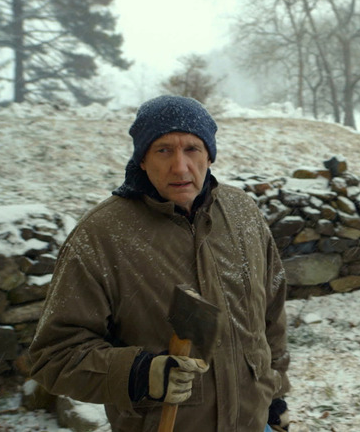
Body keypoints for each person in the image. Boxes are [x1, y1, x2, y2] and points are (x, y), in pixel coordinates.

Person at [29, 95, 291, 432]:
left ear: (210, 155)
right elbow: (54, 356)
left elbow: (271, 317)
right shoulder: (101, 236)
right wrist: (140, 374)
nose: (180, 167)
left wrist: (276, 395)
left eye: (192, 149)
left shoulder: (242, 213)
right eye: (163, 150)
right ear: (141, 160)